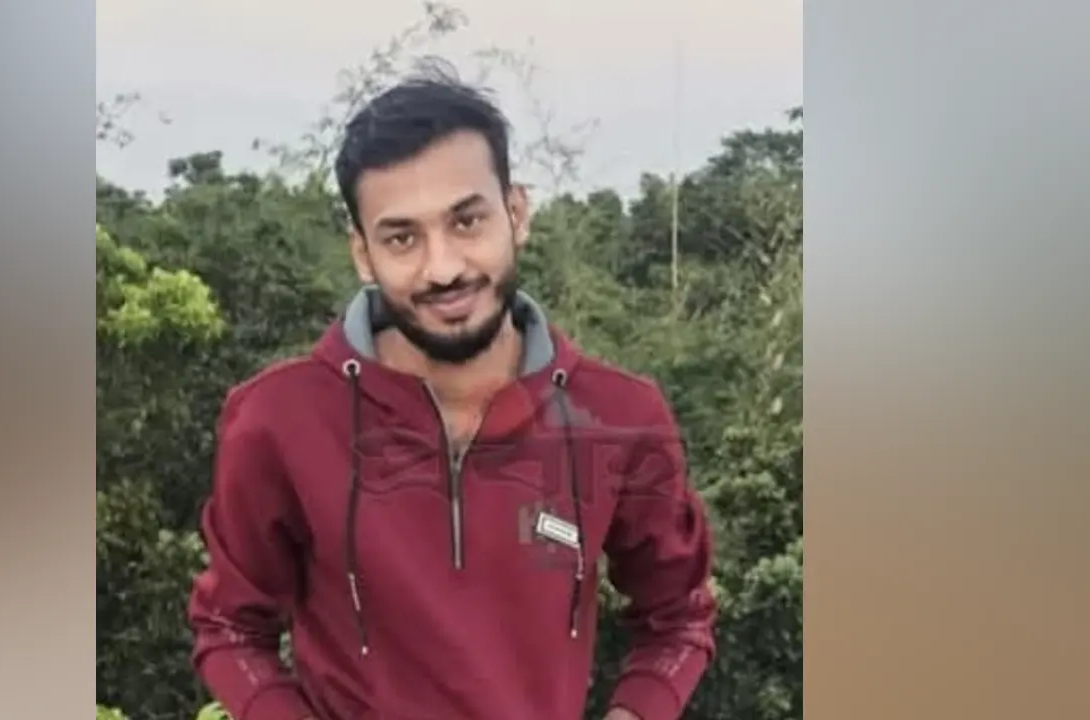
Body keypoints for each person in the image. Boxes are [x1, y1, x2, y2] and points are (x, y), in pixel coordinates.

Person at [187, 64, 717, 720]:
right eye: (402, 237)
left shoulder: (619, 417)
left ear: (515, 213)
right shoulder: (278, 419)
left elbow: (679, 618)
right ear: (363, 253)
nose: (442, 268)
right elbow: (230, 627)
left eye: (467, 221)